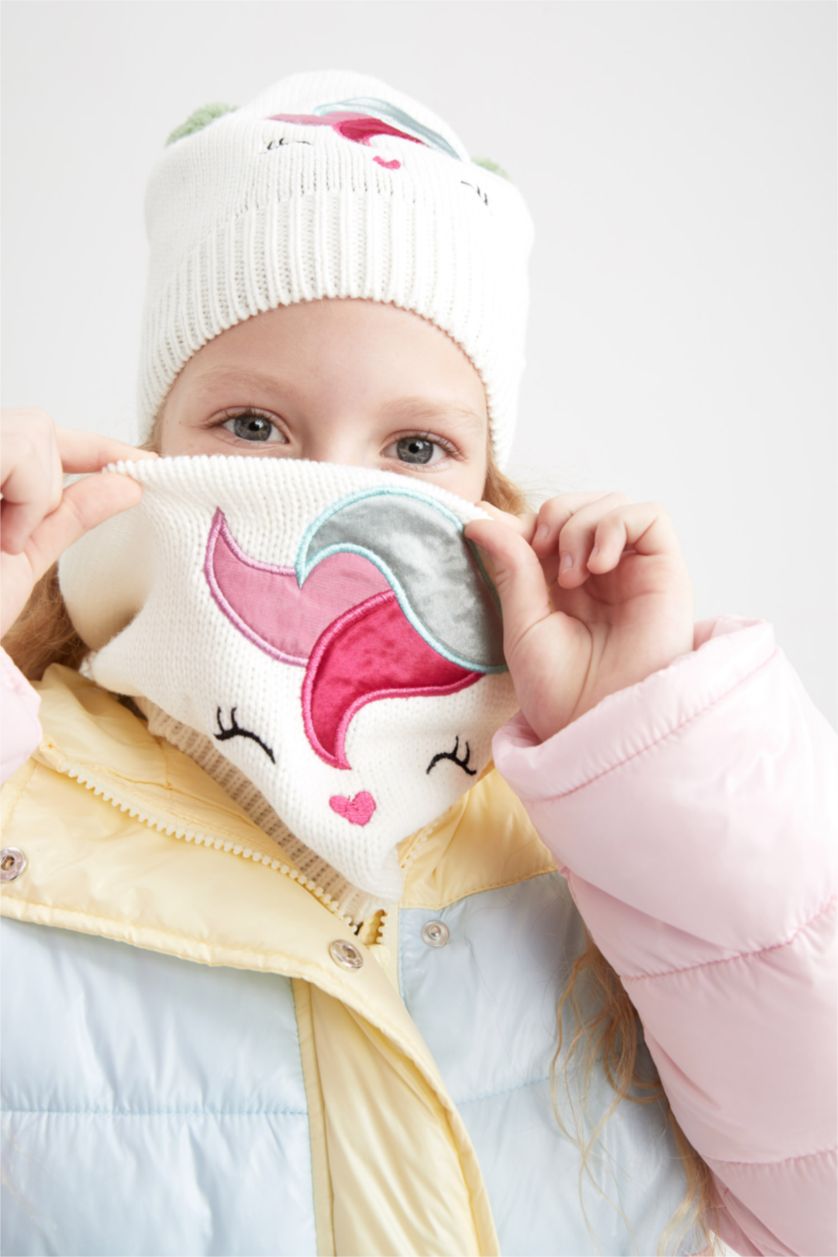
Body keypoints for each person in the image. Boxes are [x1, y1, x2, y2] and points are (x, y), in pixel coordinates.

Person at [0, 69, 835, 1257]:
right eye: (252, 427)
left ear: (487, 482)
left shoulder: (588, 835)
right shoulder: (22, 800)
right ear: (149, 441)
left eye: (415, 445)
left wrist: (651, 750)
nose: (331, 489)